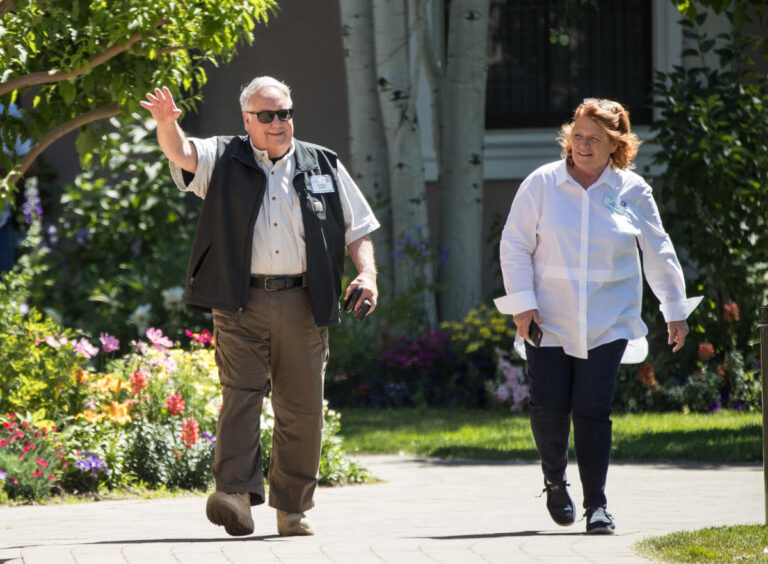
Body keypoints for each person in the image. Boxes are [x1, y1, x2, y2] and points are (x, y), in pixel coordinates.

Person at [140, 77, 380, 537]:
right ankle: (234, 496)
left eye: (284, 113)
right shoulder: (223, 157)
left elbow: (358, 227)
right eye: (267, 115)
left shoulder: (321, 163)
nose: (278, 123)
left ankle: (291, 508)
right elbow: (181, 154)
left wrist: (366, 274)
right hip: (239, 300)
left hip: (304, 301)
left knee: (302, 408)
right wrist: (166, 126)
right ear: (246, 120)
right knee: (241, 397)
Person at [494, 98, 701, 535]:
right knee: (549, 407)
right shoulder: (542, 184)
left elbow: (658, 251)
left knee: (593, 408)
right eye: (578, 135)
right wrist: (523, 304)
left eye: (595, 139)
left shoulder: (631, 190)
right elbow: (514, 244)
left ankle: (597, 506)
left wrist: (675, 311)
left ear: (615, 146)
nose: (582, 145)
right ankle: (554, 481)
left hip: (609, 319)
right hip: (546, 319)